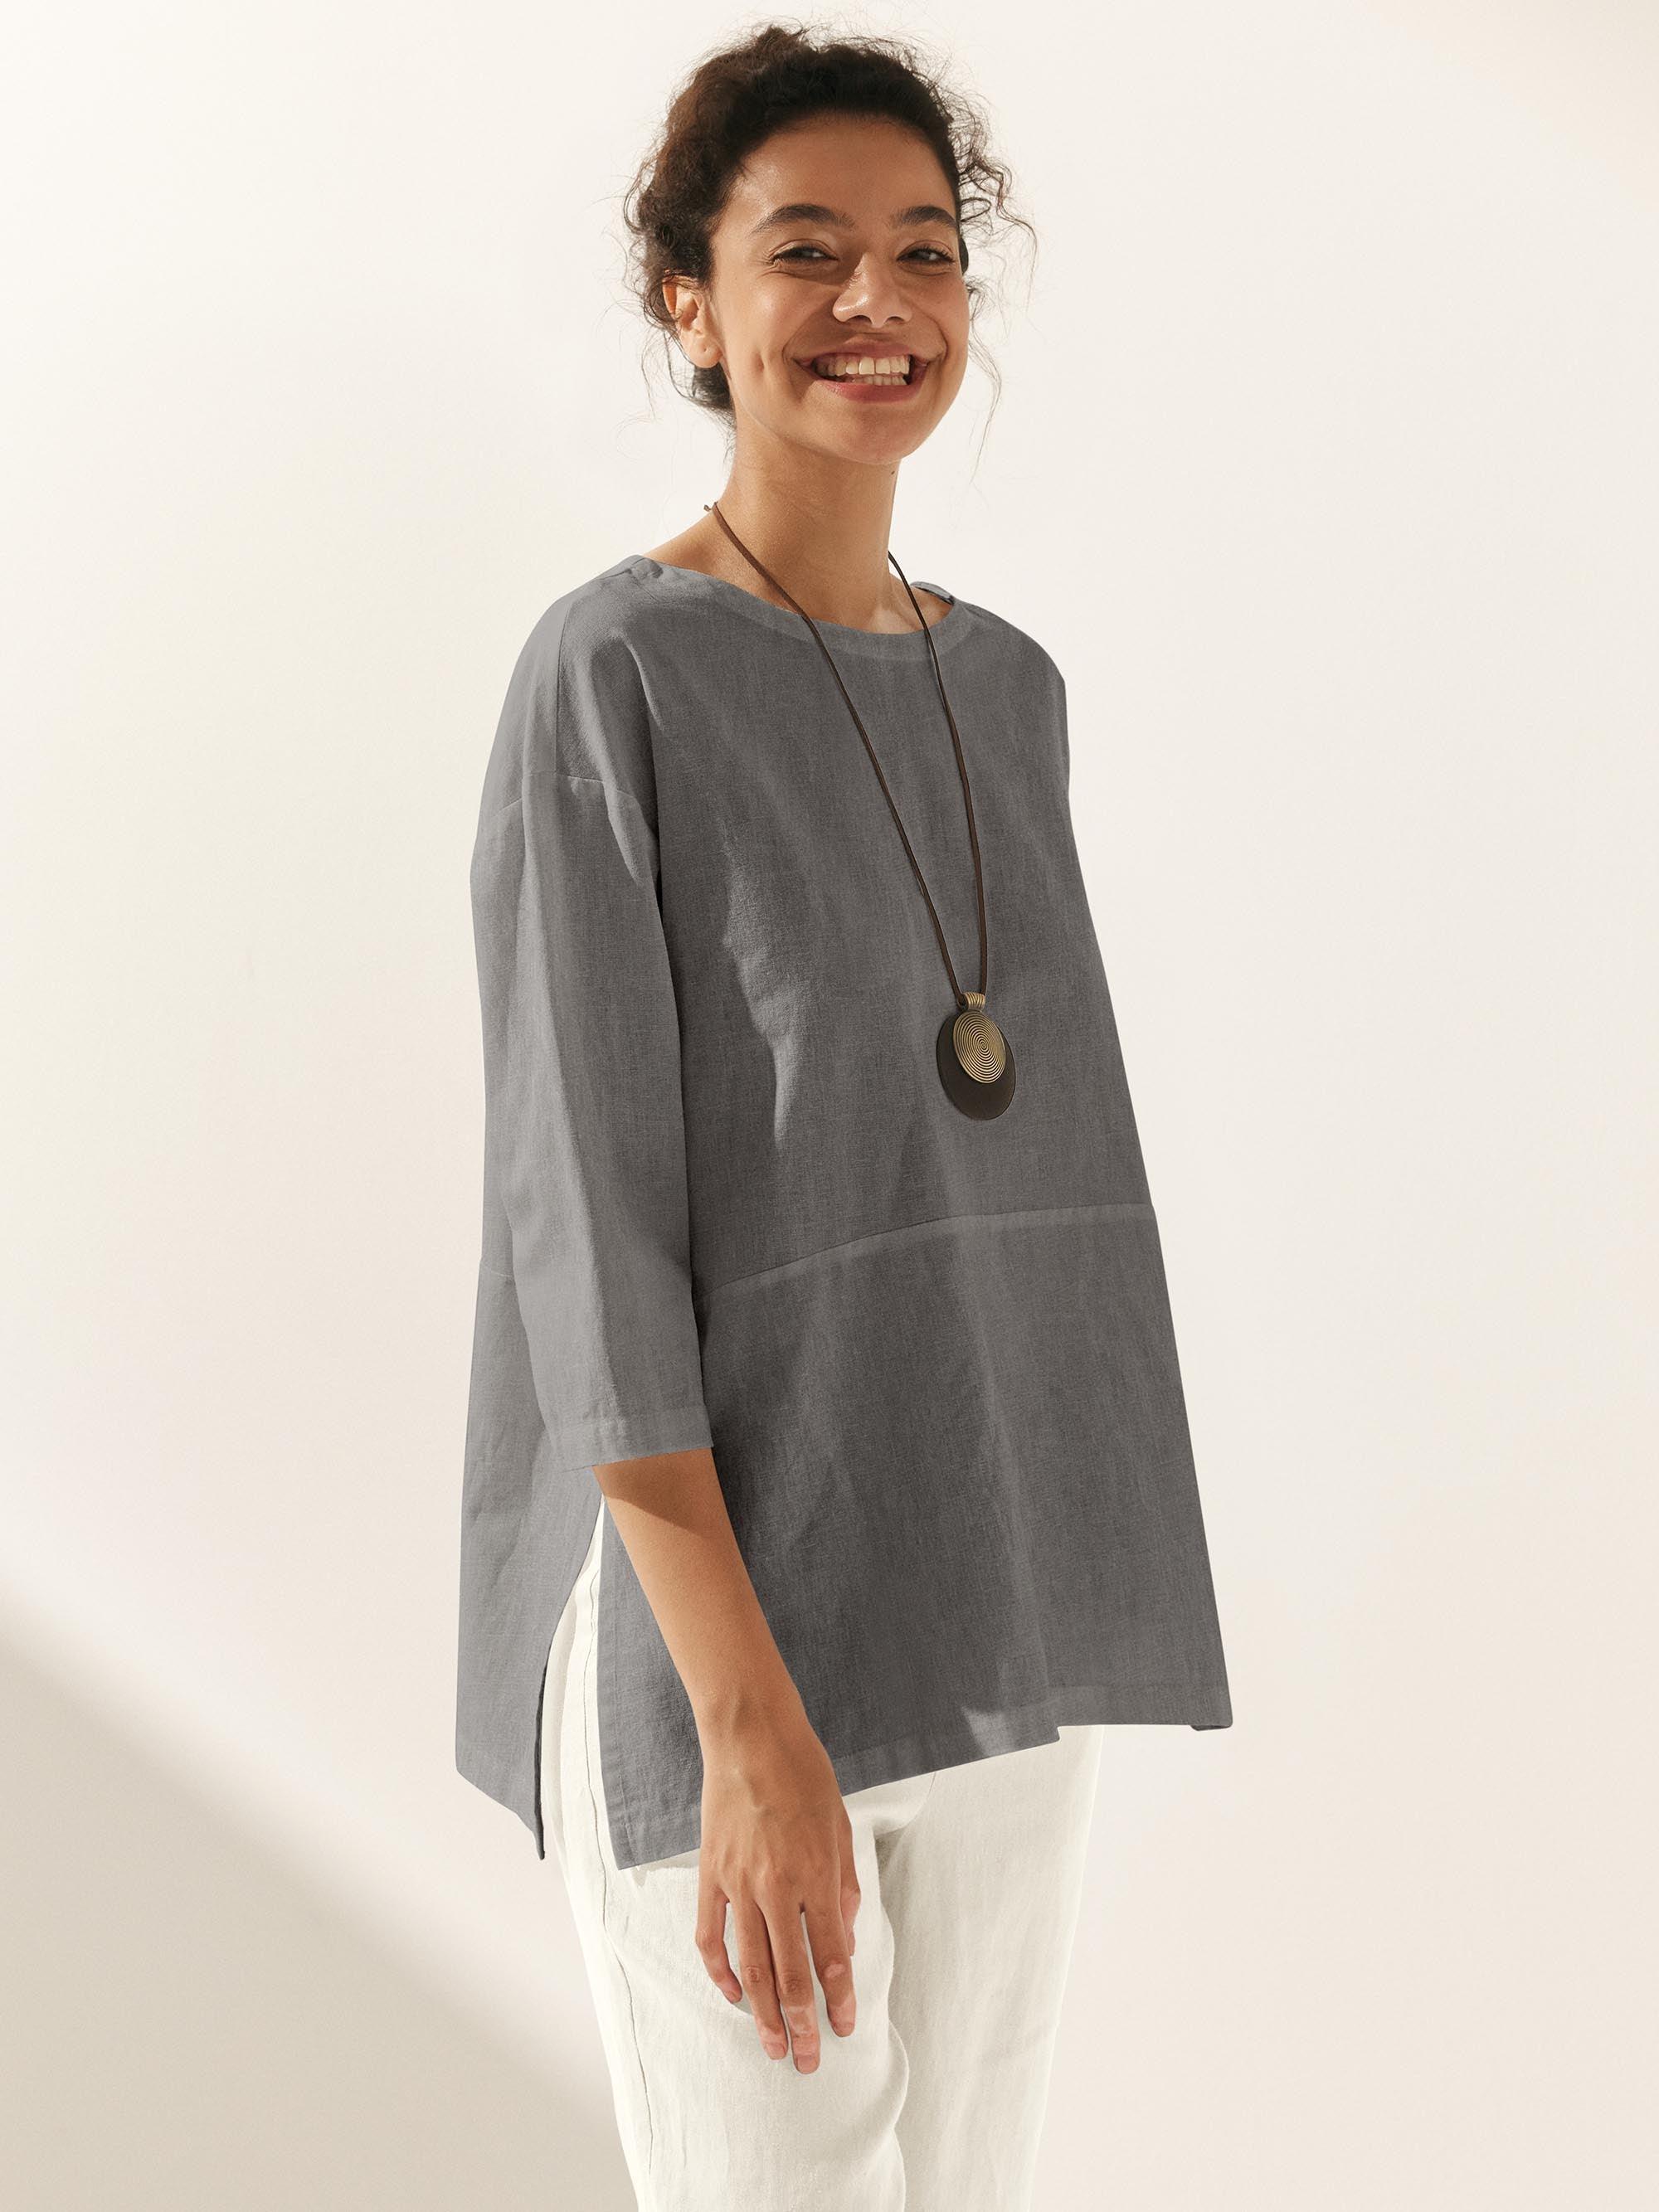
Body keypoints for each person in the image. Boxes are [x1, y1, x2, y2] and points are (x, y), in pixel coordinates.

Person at [457, 23, 1233, 2210]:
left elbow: (1030, 1194)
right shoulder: (611, 677)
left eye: (924, 249)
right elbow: (589, 1238)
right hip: (725, 1629)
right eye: (805, 250)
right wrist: (743, 1721)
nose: (875, 302)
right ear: (690, 303)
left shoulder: (1011, 689)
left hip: (989, 1598)